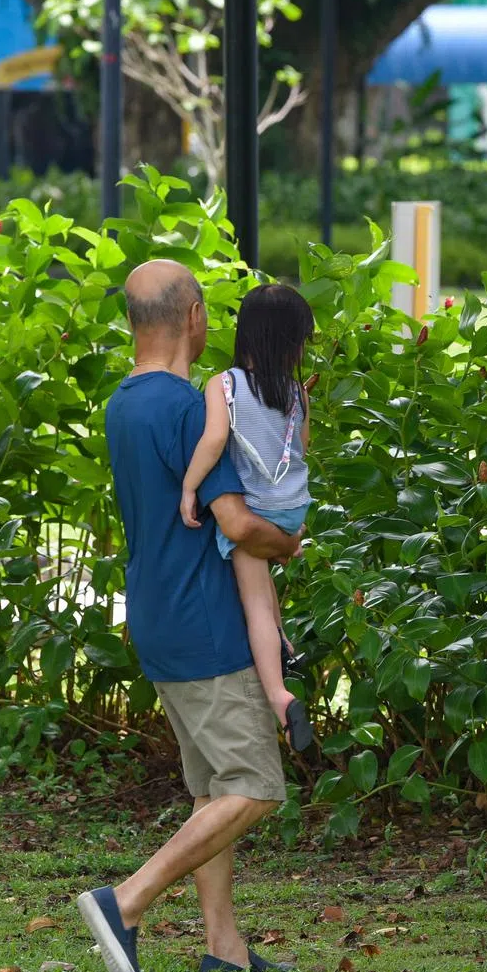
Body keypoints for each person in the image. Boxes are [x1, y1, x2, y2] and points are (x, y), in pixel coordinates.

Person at [78, 260, 303, 972]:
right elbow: (237, 521)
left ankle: (224, 949)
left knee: (212, 788)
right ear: (195, 316)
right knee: (255, 786)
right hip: (205, 622)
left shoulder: (123, 403)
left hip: (157, 615)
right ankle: (128, 900)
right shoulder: (188, 408)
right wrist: (290, 542)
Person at [180, 284, 315, 752]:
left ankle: (278, 694)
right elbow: (301, 448)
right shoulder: (298, 393)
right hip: (293, 508)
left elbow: (215, 440)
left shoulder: (225, 384)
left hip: (254, 508)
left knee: (255, 602)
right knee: (267, 589)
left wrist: (190, 486)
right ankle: (285, 644)